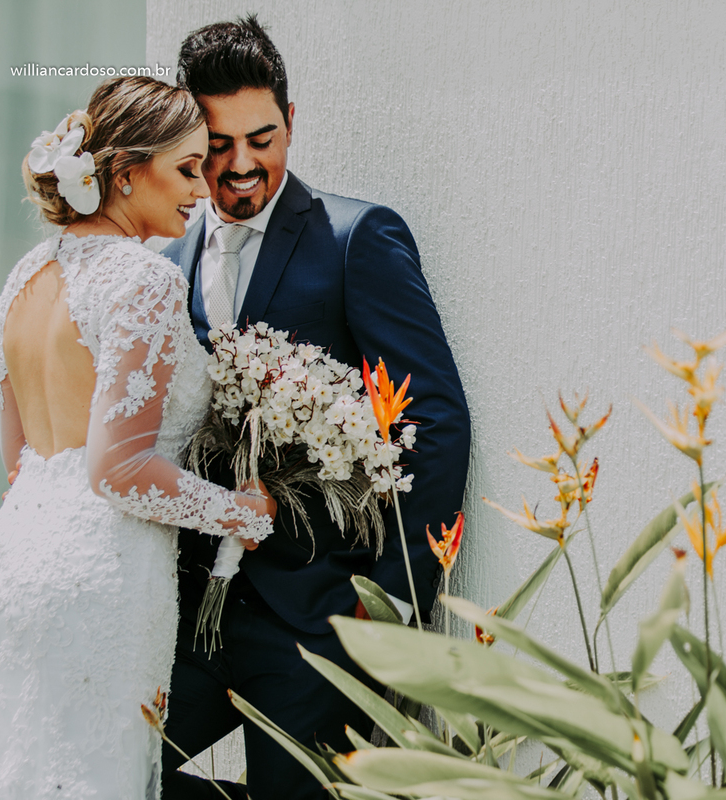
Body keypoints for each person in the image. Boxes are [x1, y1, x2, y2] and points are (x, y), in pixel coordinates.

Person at [159, 16, 471, 800]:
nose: (239, 167)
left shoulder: (355, 238)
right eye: (218, 145)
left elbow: (431, 420)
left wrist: (389, 609)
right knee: (110, 770)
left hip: (317, 623)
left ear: (292, 122)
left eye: (260, 138)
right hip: (188, 615)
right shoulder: (164, 258)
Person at [0, 76, 276, 799]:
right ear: (127, 173)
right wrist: (243, 512)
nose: (205, 186)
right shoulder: (143, 279)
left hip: (9, 567)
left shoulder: (25, 276)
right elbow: (118, 471)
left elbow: (21, 460)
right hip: (97, 581)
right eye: (188, 167)